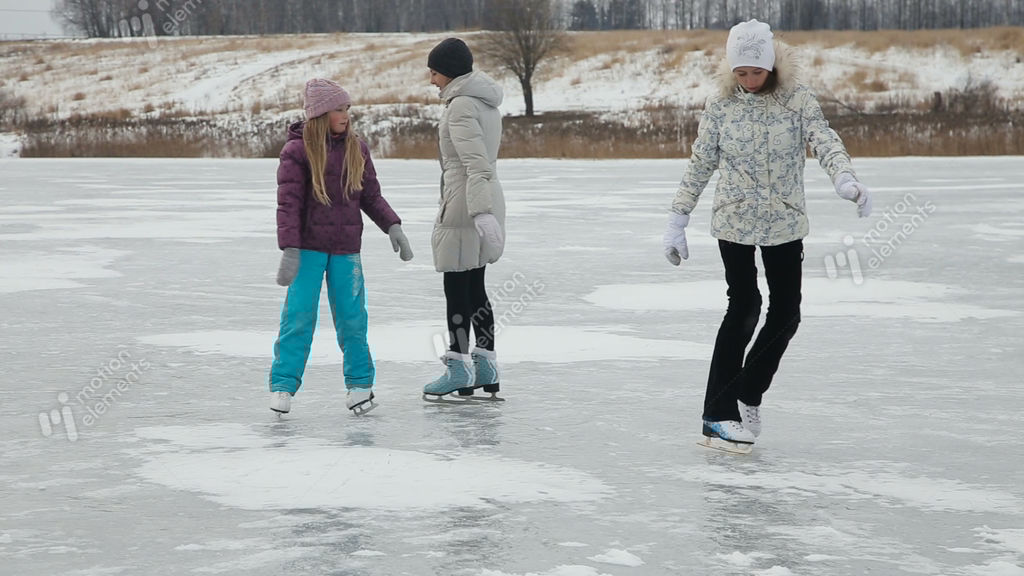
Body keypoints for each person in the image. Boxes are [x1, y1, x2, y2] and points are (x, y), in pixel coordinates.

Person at [663, 20, 872, 451]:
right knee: (744, 307)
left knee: (787, 313)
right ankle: (717, 415)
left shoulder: (797, 99)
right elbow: (700, 163)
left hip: (784, 222)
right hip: (734, 221)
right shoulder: (720, 105)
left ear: (771, 65)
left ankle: (748, 391)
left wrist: (843, 177)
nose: (748, 79)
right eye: (740, 72)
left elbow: (824, 140)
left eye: (756, 71)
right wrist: (678, 218)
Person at [269, 78, 413, 416]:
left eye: (347, 108)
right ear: (321, 114)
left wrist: (392, 226)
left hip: (346, 250)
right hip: (307, 250)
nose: (346, 115)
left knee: (353, 319)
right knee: (298, 317)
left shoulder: (356, 148)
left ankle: (360, 386)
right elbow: (288, 205)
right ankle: (283, 386)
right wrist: (290, 248)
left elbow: (371, 195)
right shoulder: (297, 151)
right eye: (338, 109)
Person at [422, 38, 507, 400]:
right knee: (475, 287)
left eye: (435, 72)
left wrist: (479, 211)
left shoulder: (460, 106)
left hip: (466, 202)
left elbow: (475, 164)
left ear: (450, 72)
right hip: (483, 195)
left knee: (456, 288)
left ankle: (458, 367)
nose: (431, 80)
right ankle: (485, 365)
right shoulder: (485, 102)